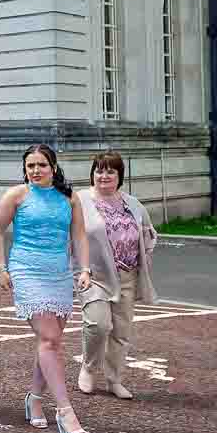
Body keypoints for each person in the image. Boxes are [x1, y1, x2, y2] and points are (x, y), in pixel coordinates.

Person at [0, 145, 94, 433]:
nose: (35, 171)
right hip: (26, 272)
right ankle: (66, 412)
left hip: (59, 275)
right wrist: (1, 268)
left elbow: (79, 235)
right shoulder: (17, 196)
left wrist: (84, 269)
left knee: (50, 341)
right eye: (30, 166)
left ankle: (34, 398)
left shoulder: (69, 198)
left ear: (53, 167)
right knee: (49, 339)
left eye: (41, 165)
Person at [76, 151, 159, 400]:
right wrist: (80, 266)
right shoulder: (79, 201)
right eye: (99, 170)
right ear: (92, 174)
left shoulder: (133, 203)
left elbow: (148, 233)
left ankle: (114, 379)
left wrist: (142, 255)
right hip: (93, 275)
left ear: (120, 176)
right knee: (98, 324)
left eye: (111, 171)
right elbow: (70, 237)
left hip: (127, 274)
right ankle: (89, 369)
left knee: (121, 332)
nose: (104, 176)